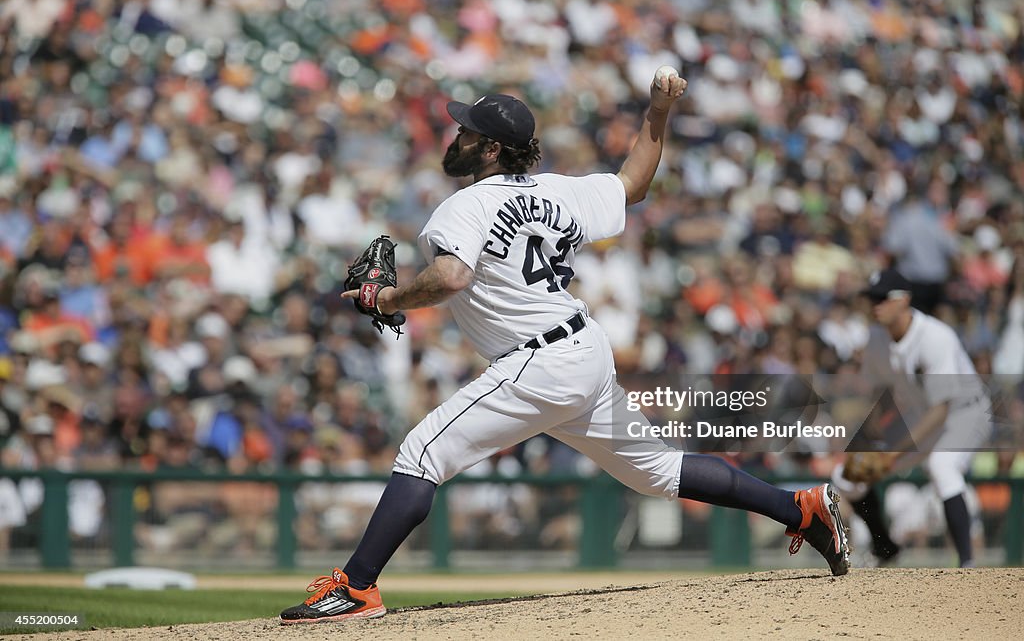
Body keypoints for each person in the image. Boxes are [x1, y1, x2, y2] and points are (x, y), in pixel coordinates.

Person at [279, 70, 851, 624]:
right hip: (582, 347)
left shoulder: (464, 206)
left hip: (541, 361)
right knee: (655, 470)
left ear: (491, 151)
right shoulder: (559, 191)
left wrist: (386, 300)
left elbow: (452, 279)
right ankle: (799, 507)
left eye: (467, 133)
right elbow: (634, 183)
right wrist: (658, 113)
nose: (456, 137)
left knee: (422, 454)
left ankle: (356, 587)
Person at [832, 269, 993, 567]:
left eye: (883, 298)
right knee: (848, 476)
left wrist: (893, 453)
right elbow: (880, 394)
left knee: (941, 466)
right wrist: (870, 441)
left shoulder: (935, 336)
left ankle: (968, 565)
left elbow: (941, 410)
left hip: (967, 413)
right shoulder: (877, 337)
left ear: (904, 299)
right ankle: (886, 549)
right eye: (872, 298)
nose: (875, 305)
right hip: (921, 415)